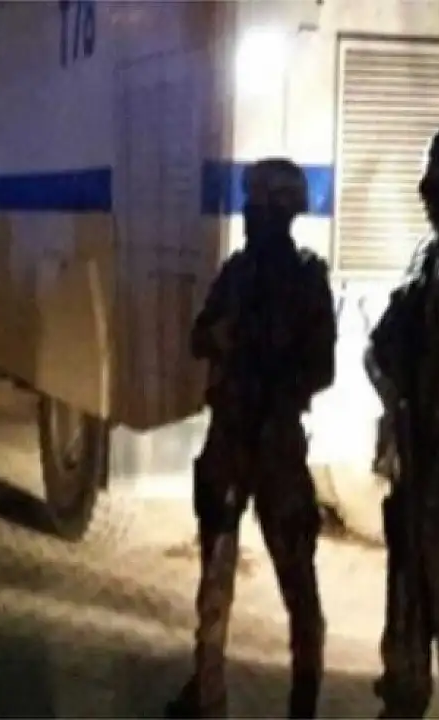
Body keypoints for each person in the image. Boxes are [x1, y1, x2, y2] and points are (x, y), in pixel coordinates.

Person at [165, 159, 335, 719]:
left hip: (271, 444)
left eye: (255, 204)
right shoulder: (241, 274)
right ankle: (210, 689)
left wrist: (273, 375)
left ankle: (299, 700)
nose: (246, 213)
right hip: (238, 440)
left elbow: (321, 367)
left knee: (293, 581)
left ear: (274, 211)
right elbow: (199, 336)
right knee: (221, 579)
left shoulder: (303, 279)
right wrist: (227, 337)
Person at [367, 125, 439, 719]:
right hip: (419, 481)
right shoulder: (427, 259)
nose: (425, 189)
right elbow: (385, 347)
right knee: (406, 651)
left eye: (438, 176)